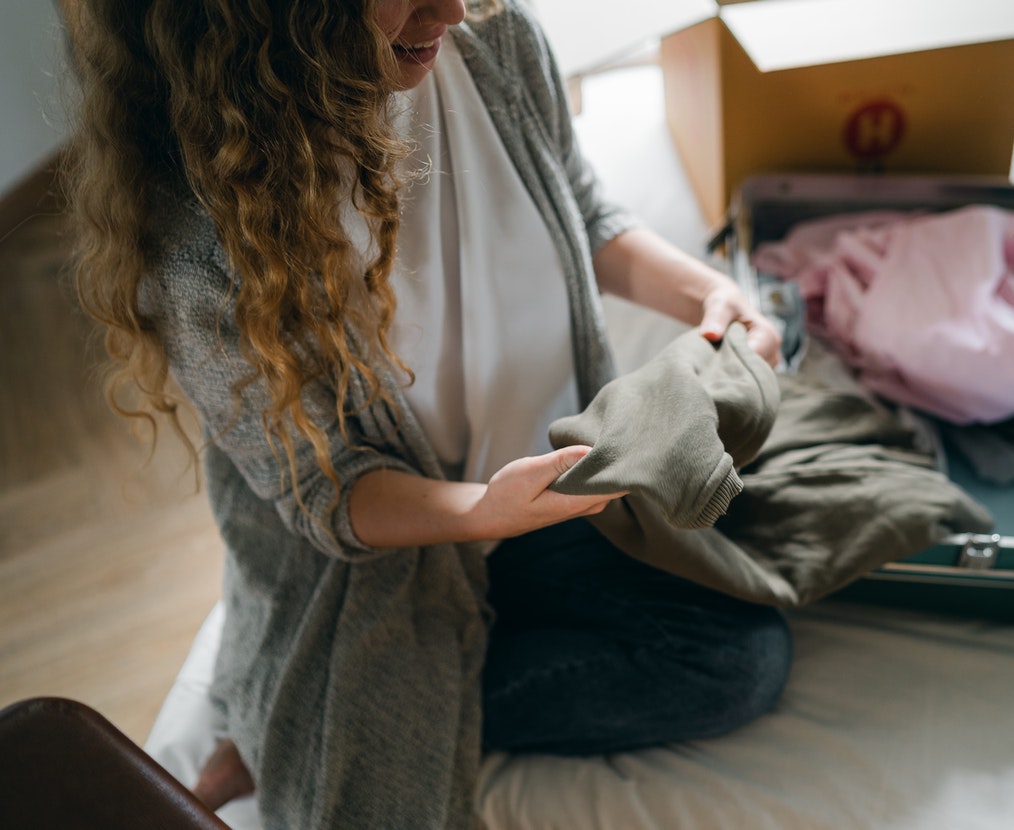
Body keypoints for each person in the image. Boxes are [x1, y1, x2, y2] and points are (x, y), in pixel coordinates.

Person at [68, 0, 792, 826]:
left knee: (744, 659)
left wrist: (707, 292)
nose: (452, 7)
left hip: (555, 485)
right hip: (383, 554)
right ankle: (294, 715)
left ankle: (367, 703)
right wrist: (485, 511)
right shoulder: (197, 234)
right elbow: (328, 491)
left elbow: (584, 212)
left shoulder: (495, 41)